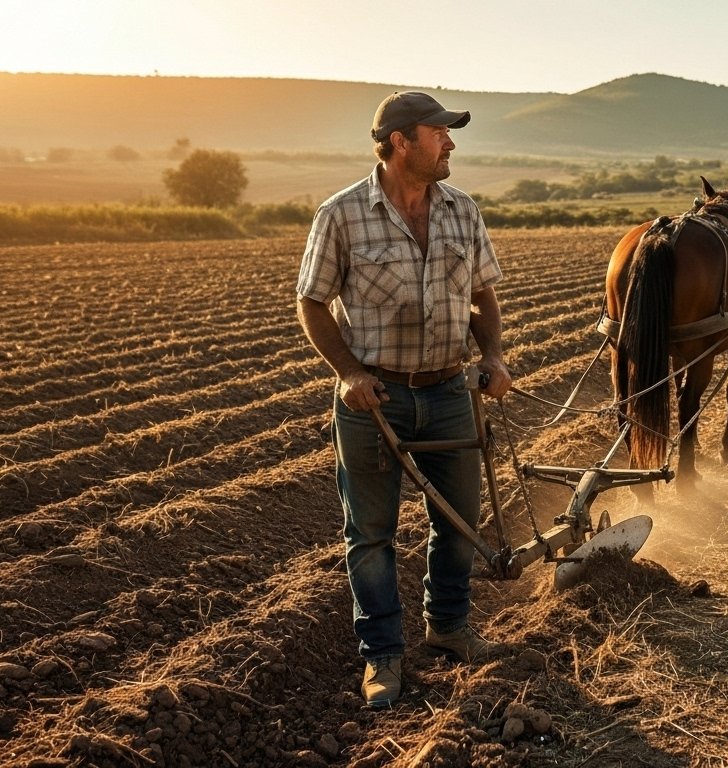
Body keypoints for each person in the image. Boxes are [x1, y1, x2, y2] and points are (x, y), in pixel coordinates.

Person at [296, 91, 513, 708]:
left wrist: (493, 356)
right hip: (375, 397)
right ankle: (383, 655)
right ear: (399, 142)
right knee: (371, 534)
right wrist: (348, 373)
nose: (449, 143)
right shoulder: (341, 215)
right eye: (438, 133)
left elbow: (482, 296)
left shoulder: (462, 210)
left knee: (459, 521)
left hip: (448, 389)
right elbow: (312, 302)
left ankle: (448, 627)